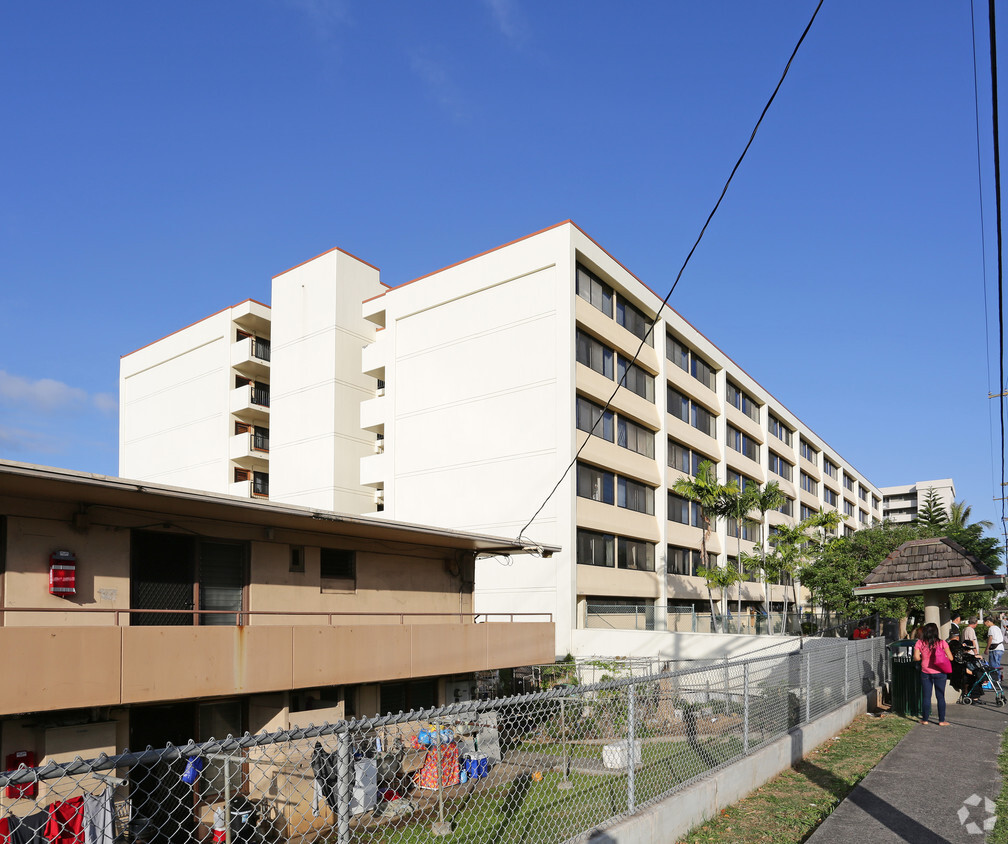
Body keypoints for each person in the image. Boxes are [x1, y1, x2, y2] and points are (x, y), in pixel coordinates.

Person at [913, 622, 953, 726]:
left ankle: (925, 719)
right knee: (940, 697)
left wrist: (924, 657)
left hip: (925, 672)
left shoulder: (920, 643)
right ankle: (941, 720)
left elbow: (916, 658)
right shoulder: (942, 643)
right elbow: (951, 658)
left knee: (926, 697)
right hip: (940, 673)